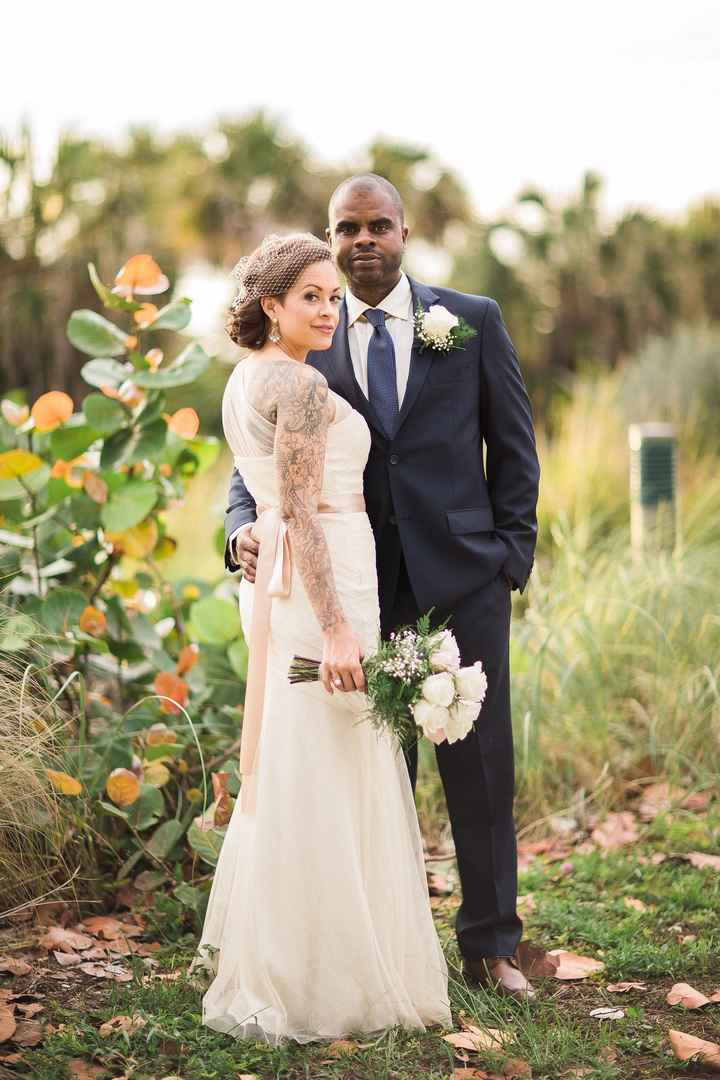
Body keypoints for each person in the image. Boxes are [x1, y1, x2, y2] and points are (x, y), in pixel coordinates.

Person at [226, 175, 541, 1000]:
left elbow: (514, 446)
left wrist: (509, 558)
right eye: (346, 227)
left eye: (378, 225)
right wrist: (242, 530)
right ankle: (384, 948)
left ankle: (492, 945)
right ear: (330, 239)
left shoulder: (471, 320)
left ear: (404, 231)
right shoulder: (306, 337)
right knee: (371, 771)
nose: (362, 239)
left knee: (480, 766)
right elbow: (257, 464)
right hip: (360, 589)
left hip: (465, 580)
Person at [196, 232, 452, 1044]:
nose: (328, 308)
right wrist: (338, 630)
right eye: (310, 295)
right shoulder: (301, 385)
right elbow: (302, 512)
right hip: (321, 580)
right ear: (271, 305)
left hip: (289, 577)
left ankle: (299, 953)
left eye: (332, 296)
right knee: (333, 758)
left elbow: (274, 503)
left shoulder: (247, 377)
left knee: (300, 757)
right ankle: (329, 975)